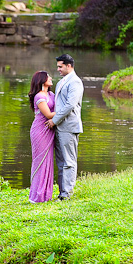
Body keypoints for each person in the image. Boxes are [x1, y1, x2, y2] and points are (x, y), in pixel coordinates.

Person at [46, 54, 83, 200]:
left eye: (60, 66)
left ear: (69, 66)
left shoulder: (75, 82)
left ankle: (67, 194)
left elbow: (70, 105)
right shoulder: (63, 81)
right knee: (61, 162)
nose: (58, 69)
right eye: (57, 67)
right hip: (60, 127)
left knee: (69, 161)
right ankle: (62, 193)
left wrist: (54, 120)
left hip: (68, 127)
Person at [28, 71, 55, 203]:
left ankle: (46, 195)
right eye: (48, 77)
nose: (50, 78)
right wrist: (66, 111)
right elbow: (49, 115)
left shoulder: (51, 94)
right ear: (42, 80)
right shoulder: (39, 96)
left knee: (48, 160)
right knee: (40, 161)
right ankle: (37, 196)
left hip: (49, 130)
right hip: (40, 131)